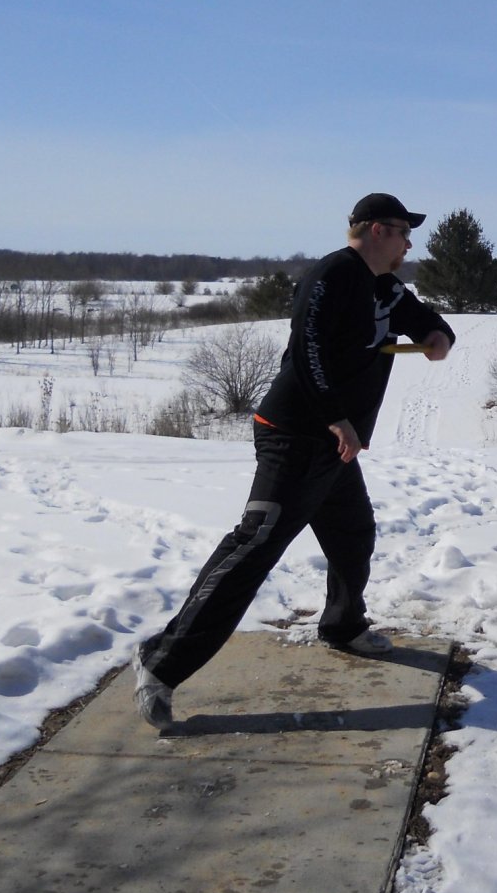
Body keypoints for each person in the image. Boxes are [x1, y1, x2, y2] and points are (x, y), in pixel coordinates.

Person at [131, 193, 455, 730]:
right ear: (376, 230)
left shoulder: (384, 286)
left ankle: (342, 625)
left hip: (332, 443)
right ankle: (160, 661)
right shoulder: (332, 275)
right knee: (257, 543)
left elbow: (421, 317)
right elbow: (306, 349)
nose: (409, 242)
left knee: (353, 534)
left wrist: (438, 335)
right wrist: (337, 416)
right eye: (402, 231)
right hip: (293, 433)